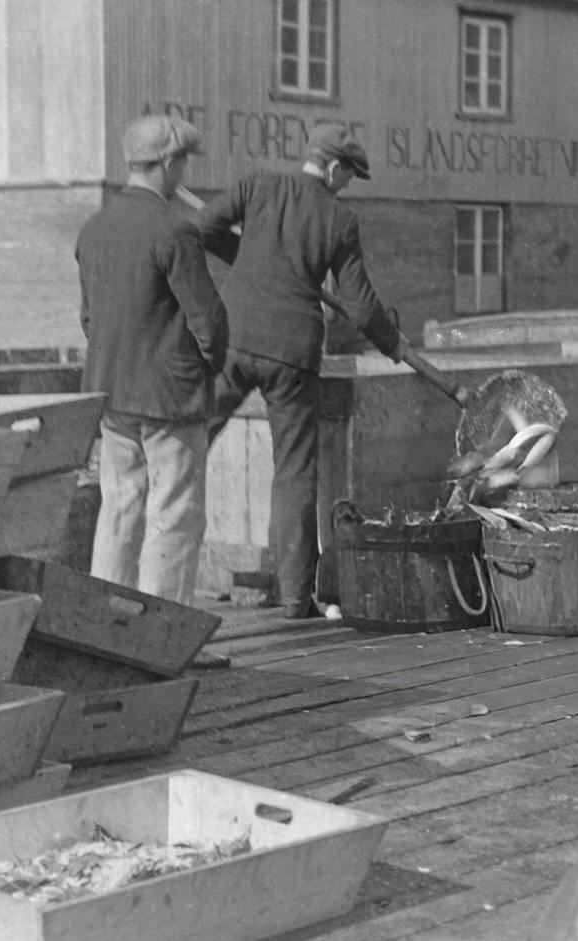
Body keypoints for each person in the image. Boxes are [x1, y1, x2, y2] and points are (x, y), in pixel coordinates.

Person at [195, 125, 409, 619]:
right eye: (350, 175)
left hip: (234, 339)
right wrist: (393, 343)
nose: (348, 185)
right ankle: (295, 598)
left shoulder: (257, 186)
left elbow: (200, 230)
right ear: (335, 168)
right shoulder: (338, 217)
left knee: (188, 440)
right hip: (292, 355)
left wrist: (251, 262)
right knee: (294, 473)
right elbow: (360, 306)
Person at [75, 115, 228, 606]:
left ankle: (105, 627)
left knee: (118, 508)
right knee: (174, 515)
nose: (183, 172)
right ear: (167, 163)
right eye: (182, 162)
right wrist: (206, 366)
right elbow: (209, 321)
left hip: (110, 394)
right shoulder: (174, 229)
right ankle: (166, 635)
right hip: (170, 398)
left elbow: (88, 320)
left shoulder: (94, 228)